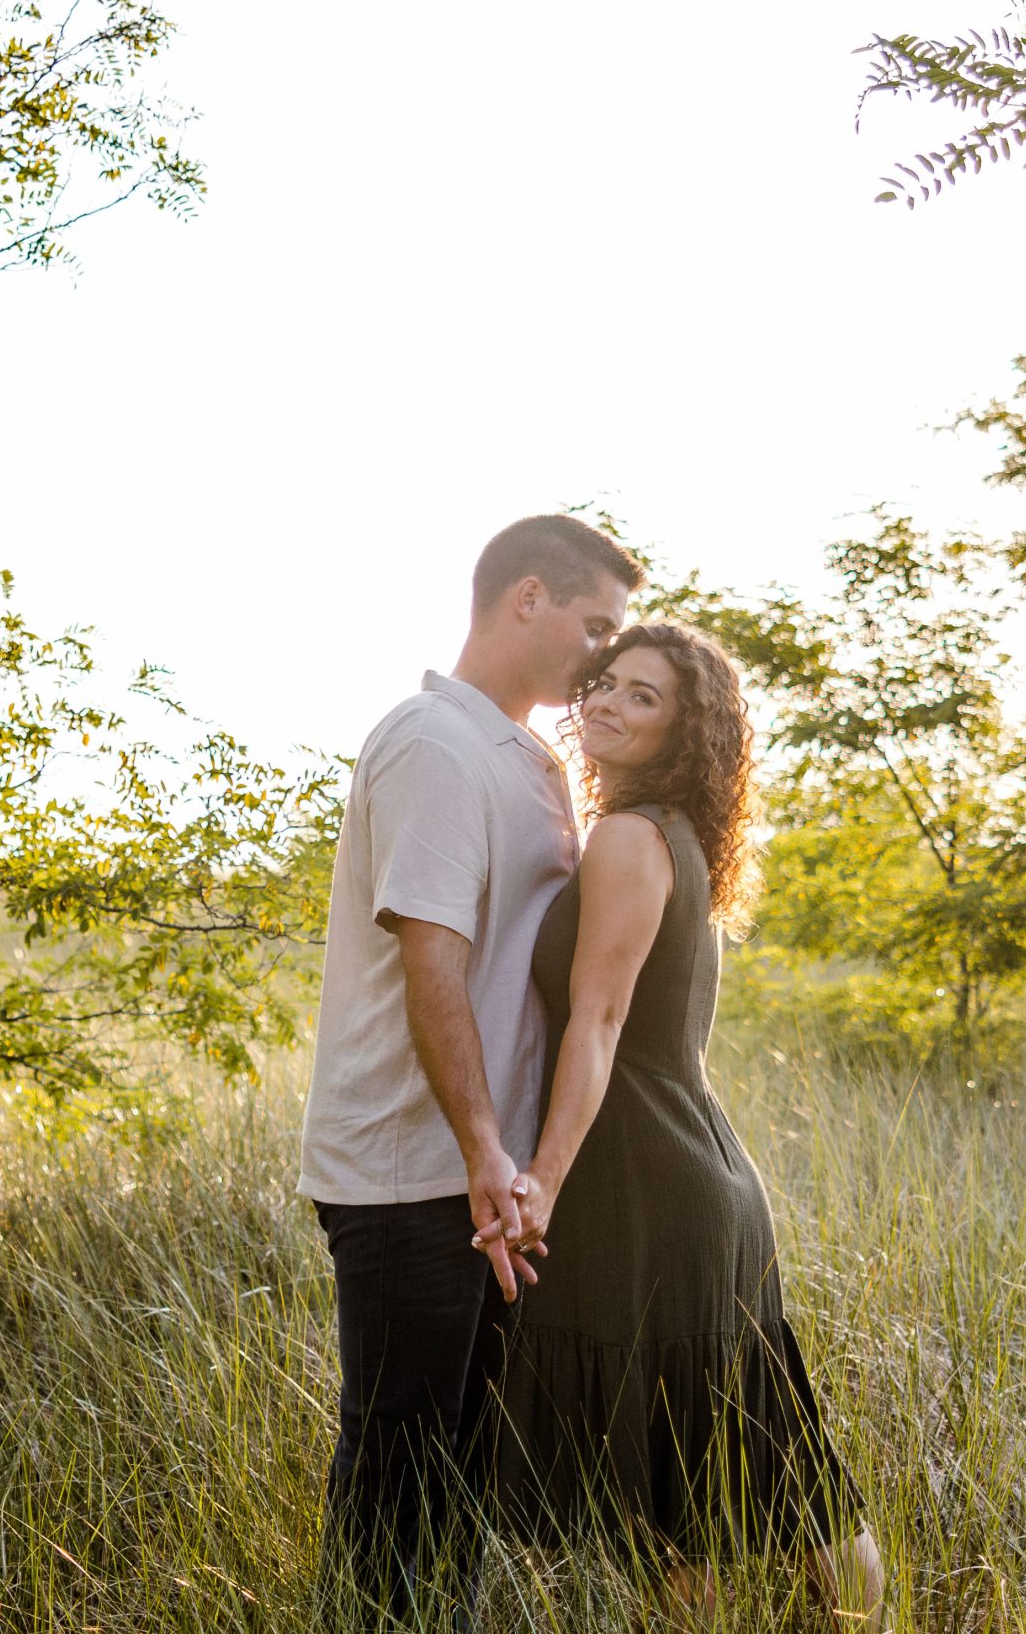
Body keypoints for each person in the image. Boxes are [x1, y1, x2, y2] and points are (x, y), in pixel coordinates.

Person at [492, 623, 887, 1625]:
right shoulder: (669, 833)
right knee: (739, 1478)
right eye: (606, 685)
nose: (611, 706)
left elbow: (601, 1022)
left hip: (645, 1185)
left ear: (685, 730)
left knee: (695, 1489)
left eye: (644, 696)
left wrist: (537, 1177)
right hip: (686, 1173)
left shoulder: (627, 837)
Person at [298, 513, 641, 1624]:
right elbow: (431, 968)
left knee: (461, 1468)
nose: (601, 653)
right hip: (413, 1173)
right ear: (526, 596)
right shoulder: (432, 744)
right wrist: (486, 1148)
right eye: (595, 625)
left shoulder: (532, 758)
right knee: (398, 1464)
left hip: (488, 1180)